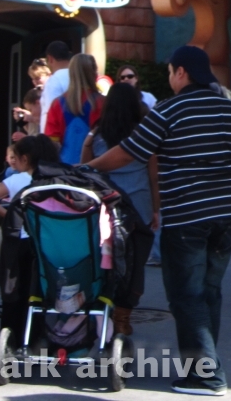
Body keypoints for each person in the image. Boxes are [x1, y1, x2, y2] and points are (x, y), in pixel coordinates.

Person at [87, 45, 231, 396]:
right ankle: (204, 366)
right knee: (209, 294)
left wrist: (88, 167)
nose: (171, 78)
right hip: (224, 216)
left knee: (187, 297)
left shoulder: (169, 109)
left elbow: (130, 151)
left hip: (187, 217)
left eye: (172, 71)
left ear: (181, 72)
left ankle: (205, 376)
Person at [80, 82, 158, 336]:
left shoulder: (99, 134)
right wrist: (157, 209)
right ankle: (124, 317)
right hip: (139, 207)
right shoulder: (143, 133)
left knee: (104, 261)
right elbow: (153, 174)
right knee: (135, 265)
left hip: (106, 209)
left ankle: (102, 308)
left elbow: (86, 168)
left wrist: (90, 137)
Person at [0, 135, 59, 345]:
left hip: (18, 241)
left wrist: (10, 215)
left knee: (13, 289)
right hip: (43, 242)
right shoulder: (52, 179)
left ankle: (10, 336)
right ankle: (34, 334)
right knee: (35, 290)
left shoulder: (18, 180)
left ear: (24, 159)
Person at [44, 54, 104, 165]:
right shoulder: (103, 103)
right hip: (97, 168)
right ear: (94, 73)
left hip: (66, 170)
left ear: (71, 73)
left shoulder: (56, 104)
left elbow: (51, 146)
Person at [39, 42, 72, 133]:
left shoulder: (54, 81)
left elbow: (52, 112)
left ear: (50, 59)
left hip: (56, 138)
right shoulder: (78, 76)